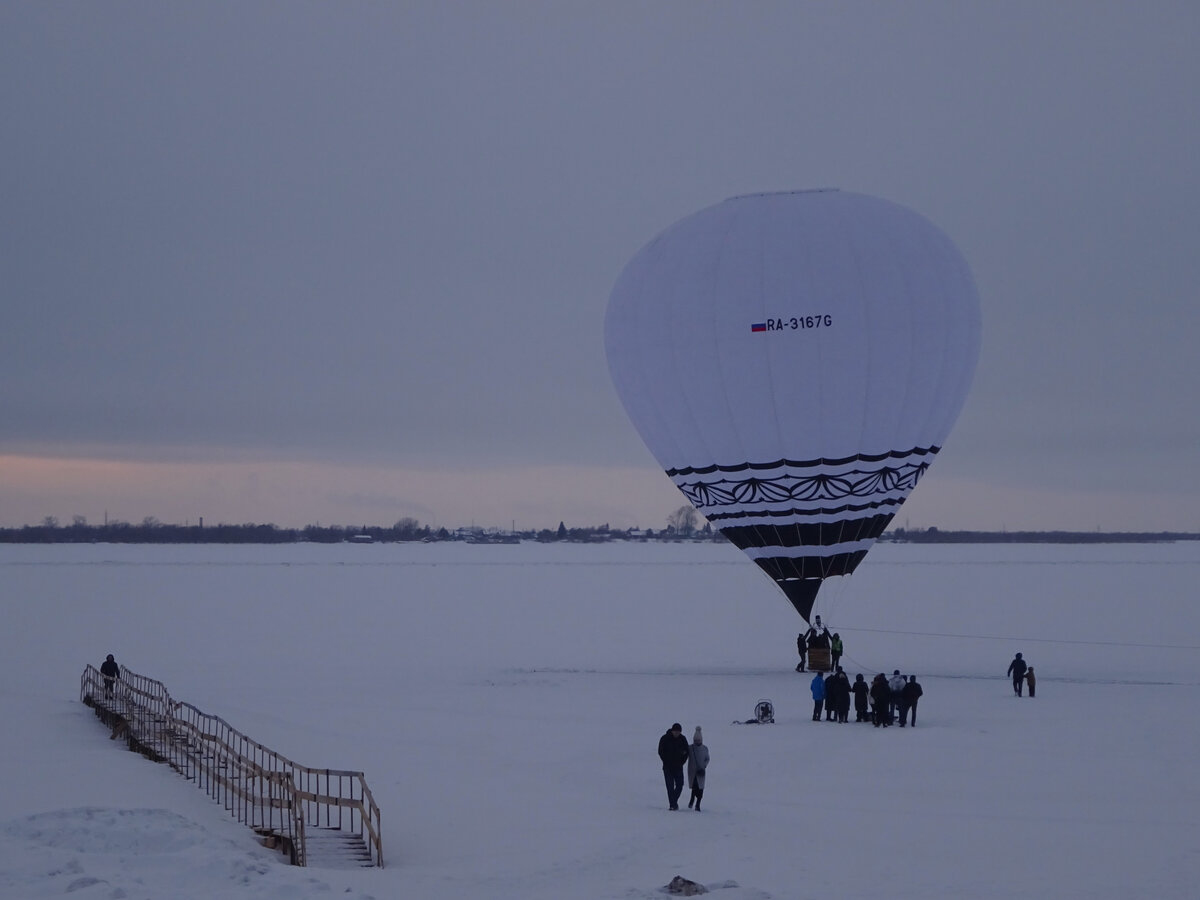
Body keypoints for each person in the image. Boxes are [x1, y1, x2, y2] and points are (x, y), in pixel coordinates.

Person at [658, 723, 690, 810]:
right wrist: (665, 760)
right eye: (675, 731)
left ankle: (673, 802)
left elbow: (687, 751)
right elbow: (660, 751)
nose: (676, 733)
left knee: (680, 785)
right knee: (670, 786)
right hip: (667, 767)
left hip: (678, 767)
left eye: (678, 732)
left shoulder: (683, 739)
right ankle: (672, 805)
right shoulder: (665, 738)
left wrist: (682, 762)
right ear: (672, 731)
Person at [686, 726, 709, 811]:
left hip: (701, 772)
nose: (697, 742)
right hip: (692, 772)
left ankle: (698, 803)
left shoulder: (705, 749)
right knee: (694, 787)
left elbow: (707, 759)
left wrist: (704, 765)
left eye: (698, 740)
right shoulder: (690, 748)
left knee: (701, 789)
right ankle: (692, 799)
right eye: (695, 740)